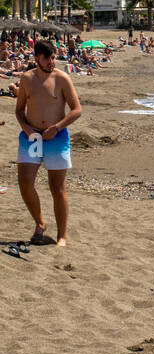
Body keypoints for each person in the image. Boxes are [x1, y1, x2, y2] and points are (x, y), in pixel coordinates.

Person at [15, 38, 83, 247]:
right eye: (47, 58)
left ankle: (62, 235)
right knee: (25, 184)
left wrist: (57, 127)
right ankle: (40, 223)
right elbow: (19, 109)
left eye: (53, 58)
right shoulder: (27, 79)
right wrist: (26, 127)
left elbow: (77, 109)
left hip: (56, 137)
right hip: (32, 136)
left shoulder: (62, 79)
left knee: (57, 188)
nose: (51, 62)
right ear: (37, 58)